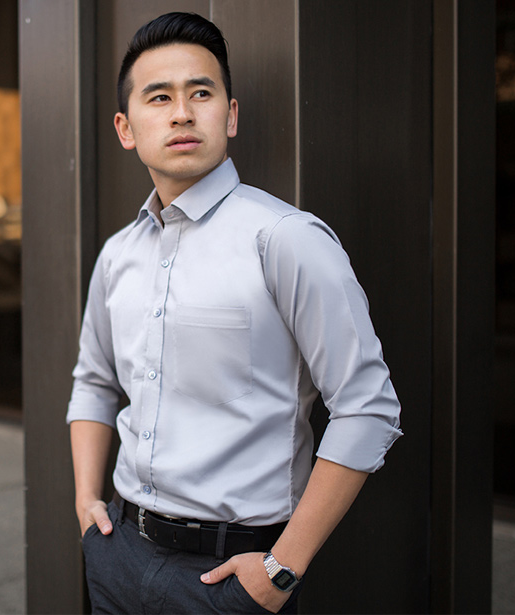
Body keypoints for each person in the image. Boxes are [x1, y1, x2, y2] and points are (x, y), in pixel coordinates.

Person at [67, 12, 402, 614]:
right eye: (159, 97)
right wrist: (86, 504)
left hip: (231, 578)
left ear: (231, 114)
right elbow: (92, 382)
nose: (181, 112)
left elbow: (368, 407)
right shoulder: (118, 255)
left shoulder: (285, 239)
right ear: (125, 127)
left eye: (201, 92)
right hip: (116, 553)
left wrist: (280, 570)